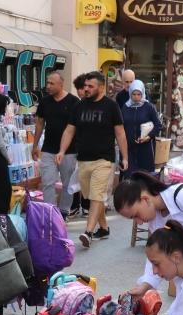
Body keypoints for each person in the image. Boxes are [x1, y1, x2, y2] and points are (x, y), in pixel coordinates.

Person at [113, 171, 183, 296]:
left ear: (145, 199)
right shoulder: (156, 220)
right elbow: (156, 255)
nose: (139, 222)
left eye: (136, 215)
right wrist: (144, 286)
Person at [57, 71, 129, 248]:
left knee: (97, 195)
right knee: (91, 196)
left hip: (104, 160)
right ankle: (103, 228)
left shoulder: (111, 106)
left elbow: (120, 132)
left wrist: (125, 157)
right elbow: (69, 130)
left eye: (91, 86)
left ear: (101, 87)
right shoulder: (79, 107)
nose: (86, 89)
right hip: (83, 160)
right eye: (85, 86)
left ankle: (88, 232)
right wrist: (61, 150)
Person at [33, 72, 79, 218]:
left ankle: (64, 212)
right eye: (47, 83)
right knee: (47, 182)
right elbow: (40, 123)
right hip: (48, 149)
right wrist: (35, 145)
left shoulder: (73, 102)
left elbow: (77, 127)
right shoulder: (45, 102)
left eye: (52, 83)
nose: (48, 86)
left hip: (69, 151)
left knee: (67, 184)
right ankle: (50, 213)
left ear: (61, 84)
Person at [121, 80, 162, 175]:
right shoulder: (125, 107)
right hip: (129, 149)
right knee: (130, 177)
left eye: (139, 94)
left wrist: (149, 137)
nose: (136, 97)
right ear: (130, 94)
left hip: (145, 149)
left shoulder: (149, 107)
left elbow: (158, 125)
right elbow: (121, 126)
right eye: (134, 94)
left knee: (145, 177)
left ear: (143, 93)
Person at [70, 73, 90, 218]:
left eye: (82, 88)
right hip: (75, 146)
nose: (79, 91)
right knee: (76, 176)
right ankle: (75, 205)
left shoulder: (94, 105)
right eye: (77, 88)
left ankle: (86, 205)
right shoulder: (76, 106)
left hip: (90, 147)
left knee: (87, 177)